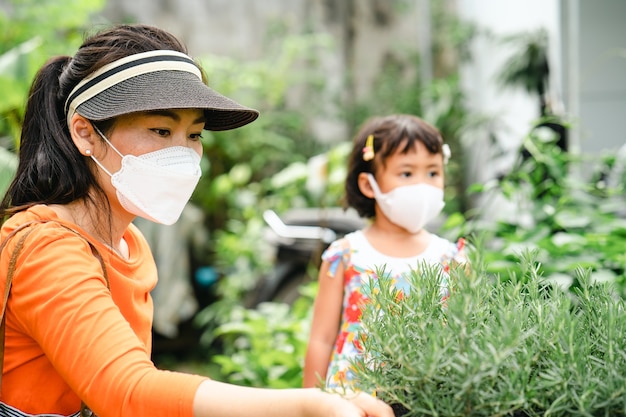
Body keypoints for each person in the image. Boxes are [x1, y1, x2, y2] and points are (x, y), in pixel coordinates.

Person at [0, 24, 394, 417]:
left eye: (194, 135)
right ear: (85, 133)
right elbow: (126, 392)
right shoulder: (48, 249)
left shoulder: (128, 242)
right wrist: (304, 406)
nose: (183, 154)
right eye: (161, 130)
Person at [303, 114, 467, 390]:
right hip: (350, 401)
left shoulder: (453, 260)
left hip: (425, 400)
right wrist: (308, 404)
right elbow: (321, 338)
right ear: (369, 184)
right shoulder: (344, 257)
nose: (422, 185)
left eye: (433, 173)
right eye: (406, 173)